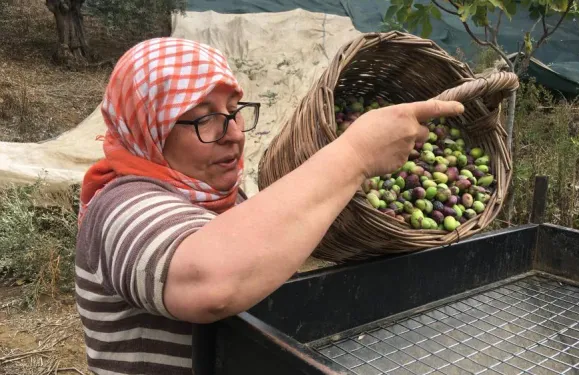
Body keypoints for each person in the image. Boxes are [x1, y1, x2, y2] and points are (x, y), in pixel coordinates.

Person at [74, 37, 465, 375]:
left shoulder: (222, 199)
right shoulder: (118, 205)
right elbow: (212, 283)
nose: (233, 134)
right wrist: (356, 154)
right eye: (204, 118)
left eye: (234, 110)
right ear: (149, 127)